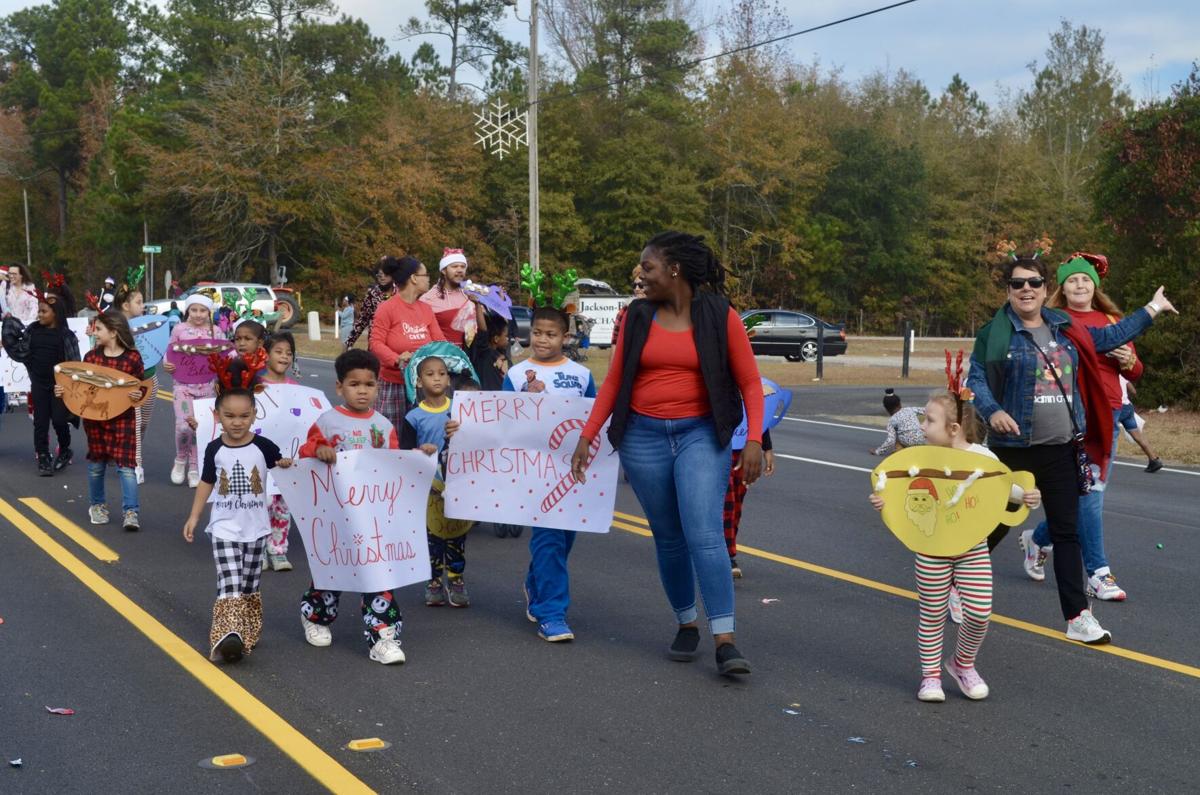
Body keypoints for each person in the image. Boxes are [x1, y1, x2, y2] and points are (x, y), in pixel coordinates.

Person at [572, 231, 764, 676]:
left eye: (648, 267)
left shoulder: (720, 316)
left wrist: (754, 438)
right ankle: (685, 622)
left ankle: (725, 640)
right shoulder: (637, 317)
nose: (641, 274)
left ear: (674, 269)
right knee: (669, 537)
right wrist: (588, 435)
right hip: (643, 437)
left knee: (704, 533)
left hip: (700, 433)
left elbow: (750, 382)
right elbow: (616, 381)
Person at [966, 253, 1176, 644]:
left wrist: (1153, 308)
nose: (1026, 289)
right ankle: (960, 585)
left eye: (1033, 282)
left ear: (1046, 289)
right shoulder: (994, 334)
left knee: (1066, 533)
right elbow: (976, 379)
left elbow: (1111, 337)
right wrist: (992, 410)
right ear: (1009, 291)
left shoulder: (1066, 327)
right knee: (992, 526)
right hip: (1014, 448)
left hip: (1062, 447)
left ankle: (1077, 616)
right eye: (1017, 284)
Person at [869, 390, 1041, 702]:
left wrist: (1028, 496)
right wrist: (883, 501)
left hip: (971, 548)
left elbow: (1006, 489)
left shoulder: (982, 457)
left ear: (953, 429)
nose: (921, 426)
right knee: (932, 614)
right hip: (931, 549)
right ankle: (931, 677)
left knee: (978, 613)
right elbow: (895, 490)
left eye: (929, 420)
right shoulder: (919, 458)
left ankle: (962, 664)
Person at [1018, 254, 1148, 601]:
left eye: (1085, 280)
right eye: (1073, 280)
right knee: (1090, 495)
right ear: (1063, 286)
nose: (1079, 285)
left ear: (1095, 285)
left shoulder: (1112, 319)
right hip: (1068, 417)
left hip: (1109, 418)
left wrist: (1130, 362)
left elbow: (1136, 372)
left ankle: (1039, 539)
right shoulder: (1054, 319)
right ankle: (1098, 573)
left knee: (1081, 498)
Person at [295, 348, 407, 665]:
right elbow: (306, 452)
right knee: (333, 572)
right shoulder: (328, 422)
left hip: (372, 518)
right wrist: (319, 450)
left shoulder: (384, 426)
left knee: (376, 575)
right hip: (335, 516)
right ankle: (315, 617)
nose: (362, 390)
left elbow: (394, 464)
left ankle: (384, 637)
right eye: (354, 384)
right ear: (340, 387)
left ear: (378, 387)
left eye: (369, 384)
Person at [182, 361, 292, 663]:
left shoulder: (264, 446)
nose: (237, 422)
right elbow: (206, 482)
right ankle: (226, 636)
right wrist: (194, 516)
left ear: (254, 415)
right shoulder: (215, 449)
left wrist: (284, 463)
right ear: (217, 416)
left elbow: (284, 469)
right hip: (224, 528)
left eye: (244, 416)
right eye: (229, 416)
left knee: (249, 584)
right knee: (229, 581)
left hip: (256, 529)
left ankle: (246, 631)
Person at [504, 306, 597, 642]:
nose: (542, 340)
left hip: (570, 471)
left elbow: (595, 418)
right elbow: (499, 419)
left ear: (566, 337)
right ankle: (552, 613)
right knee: (550, 539)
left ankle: (536, 583)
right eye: (538, 333)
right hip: (534, 472)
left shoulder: (581, 375)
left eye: (551, 334)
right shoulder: (517, 375)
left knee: (564, 539)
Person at [58, 311, 145, 531]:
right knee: (97, 465)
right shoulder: (91, 358)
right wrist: (63, 391)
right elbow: (78, 388)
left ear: (113, 332)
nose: (94, 332)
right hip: (95, 418)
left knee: (127, 467)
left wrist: (137, 395)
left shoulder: (133, 358)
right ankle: (97, 505)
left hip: (123, 418)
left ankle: (131, 511)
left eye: (98, 329)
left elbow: (140, 387)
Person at [401, 350, 472, 609]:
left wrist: (462, 430)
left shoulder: (460, 410)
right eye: (430, 375)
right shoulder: (413, 417)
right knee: (432, 538)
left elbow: (477, 440)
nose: (437, 379)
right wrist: (421, 451)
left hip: (457, 484)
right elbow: (404, 454)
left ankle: (456, 579)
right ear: (419, 382)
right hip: (429, 487)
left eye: (442, 374)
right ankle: (433, 582)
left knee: (457, 535)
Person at [368, 255, 442, 428]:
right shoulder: (387, 308)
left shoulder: (426, 310)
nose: (429, 279)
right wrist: (397, 359)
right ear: (414, 278)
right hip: (394, 384)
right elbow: (376, 343)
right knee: (391, 438)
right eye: (426, 275)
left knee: (420, 438)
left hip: (422, 386)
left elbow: (440, 343)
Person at [24, 277, 80, 475]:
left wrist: (68, 386)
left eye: (43, 311)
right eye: (39, 310)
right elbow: (22, 351)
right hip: (39, 383)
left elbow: (75, 365)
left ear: (55, 314)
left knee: (58, 420)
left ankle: (65, 449)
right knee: (40, 422)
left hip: (59, 386)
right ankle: (43, 455)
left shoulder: (66, 335)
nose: (39, 314)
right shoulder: (32, 330)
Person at [163, 294, 217, 488]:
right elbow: (169, 352)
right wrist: (167, 364)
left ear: (208, 312)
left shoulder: (215, 331)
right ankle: (180, 460)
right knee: (183, 426)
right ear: (188, 310)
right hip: (183, 386)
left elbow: (226, 353)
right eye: (194, 310)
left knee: (198, 428)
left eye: (202, 310)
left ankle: (194, 467)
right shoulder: (179, 329)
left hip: (207, 388)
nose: (198, 314)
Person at [261, 332, 298, 572]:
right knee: (261, 504)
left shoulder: (296, 388)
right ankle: (259, 549)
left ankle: (278, 549)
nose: (284, 356)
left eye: (288, 353)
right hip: (260, 460)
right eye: (278, 351)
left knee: (283, 507)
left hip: (285, 461)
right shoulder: (256, 385)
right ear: (265, 355)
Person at [116, 284, 156, 483]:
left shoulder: (147, 324)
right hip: (130, 381)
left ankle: (128, 450)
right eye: (138, 302)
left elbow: (157, 347)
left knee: (144, 423)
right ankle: (136, 463)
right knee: (135, 421)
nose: (143, 306)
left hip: (150, 377)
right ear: (125, 305)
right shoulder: (116, 327)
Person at [723, 428, 775, 578]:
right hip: (716, 443)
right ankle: (727, 556)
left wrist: (767, 447)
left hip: (744, 447)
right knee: (727, 502)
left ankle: (724, 550)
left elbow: (759, 412)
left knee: (736, 503)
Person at [420, 248, 479, 346]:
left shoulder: (469, 294)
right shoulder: (429, 298)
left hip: (468, 356)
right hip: (441, 355)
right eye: (454, 266)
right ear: (443, 270)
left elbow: (481, 331)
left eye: (463, 267)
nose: (460, 270)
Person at [4, 264, 40, 412]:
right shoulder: (6, 290)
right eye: (9, 274)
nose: (11, 276)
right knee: (10, 359)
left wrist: (27, 326)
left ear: (21, 275)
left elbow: (35, 308)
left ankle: (26, 390)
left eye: (14, 274)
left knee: (26, 358)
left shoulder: (30, 289)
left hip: (26, 328)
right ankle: (13, 392)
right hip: (9, 329)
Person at [344, 257, 399, 349]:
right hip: (376, 346)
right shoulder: (372, 294)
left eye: (386, 274)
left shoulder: (400, 294)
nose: (382, 278)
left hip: (396, 347)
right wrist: (348, 343)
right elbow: (362, 320)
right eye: (380, 275)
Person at [1119, 377, 1162, 472]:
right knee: (1138, 436)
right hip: (1128, 407)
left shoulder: (1106, 373)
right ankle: (1154, 460)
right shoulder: (1122, 375)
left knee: (1105, 434)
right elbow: (1133, 391)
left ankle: (1099, 462)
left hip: (1116, 407)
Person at [871, 389, 926, 455]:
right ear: (900, 403)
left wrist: (878, 451)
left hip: (907, 442)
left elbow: (891, 440)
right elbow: (926, 410)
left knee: (896, 433)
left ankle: (899, 449)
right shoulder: (910, 409)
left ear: (886, 408)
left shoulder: (891, 420)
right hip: (922, 439)